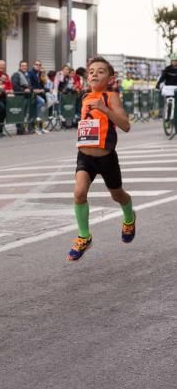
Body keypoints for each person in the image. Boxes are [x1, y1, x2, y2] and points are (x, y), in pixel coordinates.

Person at [67, 56, 136, 261]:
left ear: (110, 77)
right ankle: (84, 236)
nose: (94, 74)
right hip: (85, 156)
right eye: (91, 71)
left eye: (101, 71)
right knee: (79, 192)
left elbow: (126, 125)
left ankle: (129, 217)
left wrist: (104, 109)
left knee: (118, 195)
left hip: (106, 158)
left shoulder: (111, 96)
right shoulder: (85, 97)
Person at [27, 59, 48, 134]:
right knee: (38, 109)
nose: (38, 66)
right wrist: (35, 90)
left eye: (39, 65)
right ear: (33, 65)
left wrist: (48, 89)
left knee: (41, 110)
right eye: (36, 64)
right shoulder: (30, 73)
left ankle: (40, 127)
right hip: (33, 95)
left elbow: (42, 86)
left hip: (40, 95)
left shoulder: (40, 74)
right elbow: (29, 84)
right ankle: (34, 127)